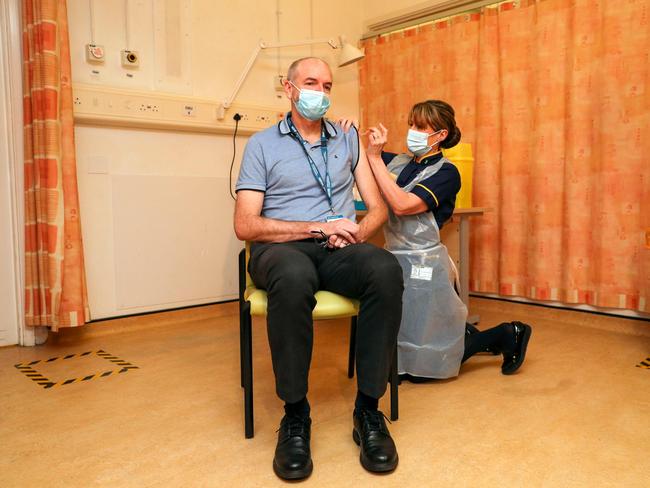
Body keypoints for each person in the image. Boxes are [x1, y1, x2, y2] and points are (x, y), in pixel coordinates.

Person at [234, 57, 402, 480]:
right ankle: (295, 415)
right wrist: (316, 226)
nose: (321, 93)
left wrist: (358, 233)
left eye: (327, 85)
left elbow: (378, 207)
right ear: (288, 89)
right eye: (311, 83)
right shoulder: (262, 145)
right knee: (291, 280)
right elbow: (245, 224)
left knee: (384, 270)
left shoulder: (346, 140)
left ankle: (368, 411)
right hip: (283, 247)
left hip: (339, 248)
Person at [351, 99, 532, 381]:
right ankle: (459, 334)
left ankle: (508, 333)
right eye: (411, 124)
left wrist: (374, 158)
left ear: (441, 135)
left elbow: (401, 205)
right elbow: (360, 158)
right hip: (396, 255)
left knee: (436, 360)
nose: (413, 131)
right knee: (408, 328)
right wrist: (349, 133)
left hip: (425, 263)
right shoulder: (399, 161)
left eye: (421, 127)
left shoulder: (446, 172)